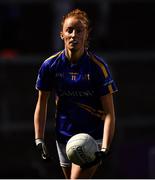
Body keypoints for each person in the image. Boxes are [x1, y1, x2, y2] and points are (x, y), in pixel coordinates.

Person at [34, 8, 118, 179]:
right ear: (61, 35)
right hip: (64, 136)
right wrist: (39, 138)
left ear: (86, 35)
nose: (74, 35)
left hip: (91, 138)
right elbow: (42, 103)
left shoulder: (97, 67)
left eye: (79, 31)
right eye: (69, 30)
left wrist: (104, 148)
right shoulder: (50, 66)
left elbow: (110, 113)